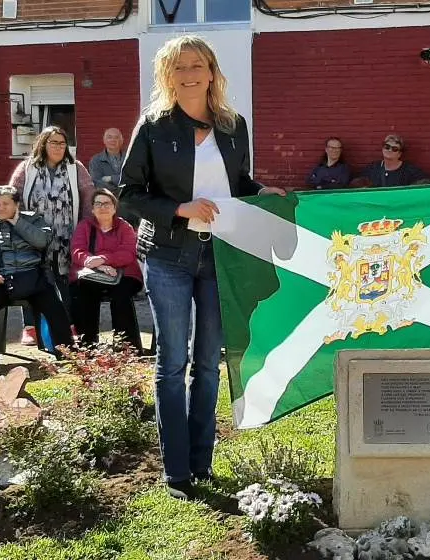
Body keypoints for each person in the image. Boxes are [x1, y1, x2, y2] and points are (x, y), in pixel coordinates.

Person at [120, 35, 286, 500]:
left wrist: (260, 192)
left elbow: (238, 182)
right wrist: (180, 209)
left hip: (220, 256)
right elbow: (129, 193)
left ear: (211, 71)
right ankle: (176, 472)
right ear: (167, 76)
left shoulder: (234, 125)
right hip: (168, 256)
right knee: (172, 362)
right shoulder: (152, 126)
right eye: (178, 67)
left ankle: (201, 462)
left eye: (196, 65)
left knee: (209, 364)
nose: (189, 73)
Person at [0, 186, 74, 365]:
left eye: (5, 204)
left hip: (32, 276)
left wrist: (17, 222)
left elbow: (42, 241)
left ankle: (67, 354)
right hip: (0, 278)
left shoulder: (34, 219)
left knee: (55, 307)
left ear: (16, 204)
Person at [9, 125, 94, 345]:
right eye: (53, 142)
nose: (58, 147)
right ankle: (31, 327)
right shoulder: (26, 169)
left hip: (67, 235)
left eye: (62, 143)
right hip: (32, 235)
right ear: (43, 144)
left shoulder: (77, 169)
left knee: (63, 280)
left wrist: (85, 229)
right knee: (32, 277)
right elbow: (12, 196)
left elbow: (88, 196)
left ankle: (67, 325)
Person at [69, 189, 143, 352]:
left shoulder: (124, 227)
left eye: (107, 203)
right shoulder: (85, 226)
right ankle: (87, 345)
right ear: (93, 209)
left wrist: (104, 259)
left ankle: (126, 347)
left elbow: (128, 253)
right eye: (98, 204)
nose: (102, 207)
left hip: (125, 274)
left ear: (115, 208)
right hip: (92, 274)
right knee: (83, 293)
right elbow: (77, 251)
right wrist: (97, 264)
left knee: (121, 296)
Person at [352, 134, 430, 187]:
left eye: (394, 149)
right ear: (382, 148)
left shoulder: (409, 171)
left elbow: (426, 183)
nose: (389, 150)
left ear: (399, 154)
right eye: (387, 146)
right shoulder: (372, 168)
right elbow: (356, 184)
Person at [89, 128, 125, 192]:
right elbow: (97, 183)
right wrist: (119, 189)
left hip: (127, 199)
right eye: (109, 137)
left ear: (122, 140)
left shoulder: (129, 159)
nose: (113, 140)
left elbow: (132, 179)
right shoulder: (96, 160)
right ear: (104, 140)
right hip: (107, 198)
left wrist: (111, 178)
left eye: (116, 137)